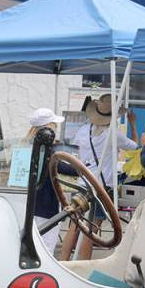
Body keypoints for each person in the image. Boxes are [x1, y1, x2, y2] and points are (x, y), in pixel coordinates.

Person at [60, 94, 138, 260]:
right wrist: (133, 125)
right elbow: (135, 147)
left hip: (82, 183)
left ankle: (64, 260)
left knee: (74, 225)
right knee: (91, 229)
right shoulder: (113, 134)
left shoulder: (82, 131)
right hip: (101, 187)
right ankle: (84, 264)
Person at [26, 107, 67, 253]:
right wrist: (84, 166)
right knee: (47, 247)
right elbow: (64, 167)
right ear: (48, 128)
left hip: (29, 205)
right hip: (47, 205)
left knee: (30, 245)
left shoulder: (25, 145)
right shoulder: (47, 149)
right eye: (54, 125)